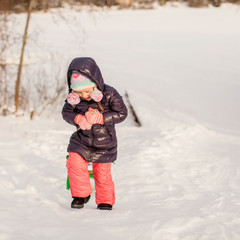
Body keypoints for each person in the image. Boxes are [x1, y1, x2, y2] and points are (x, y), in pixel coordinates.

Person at [62, 57, 128, 210]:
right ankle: (81, 194)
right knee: (74, 162)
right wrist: (78, 118)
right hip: (82, 140)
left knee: (102, 173)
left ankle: (105, 201)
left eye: (86, 91)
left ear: (95, 85)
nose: (84, 95)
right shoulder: (74, 97)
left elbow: (122, 113)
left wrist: (101, 117)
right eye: (79, 92)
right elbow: (66, 112)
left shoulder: (110, 93)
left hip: (105, 142)